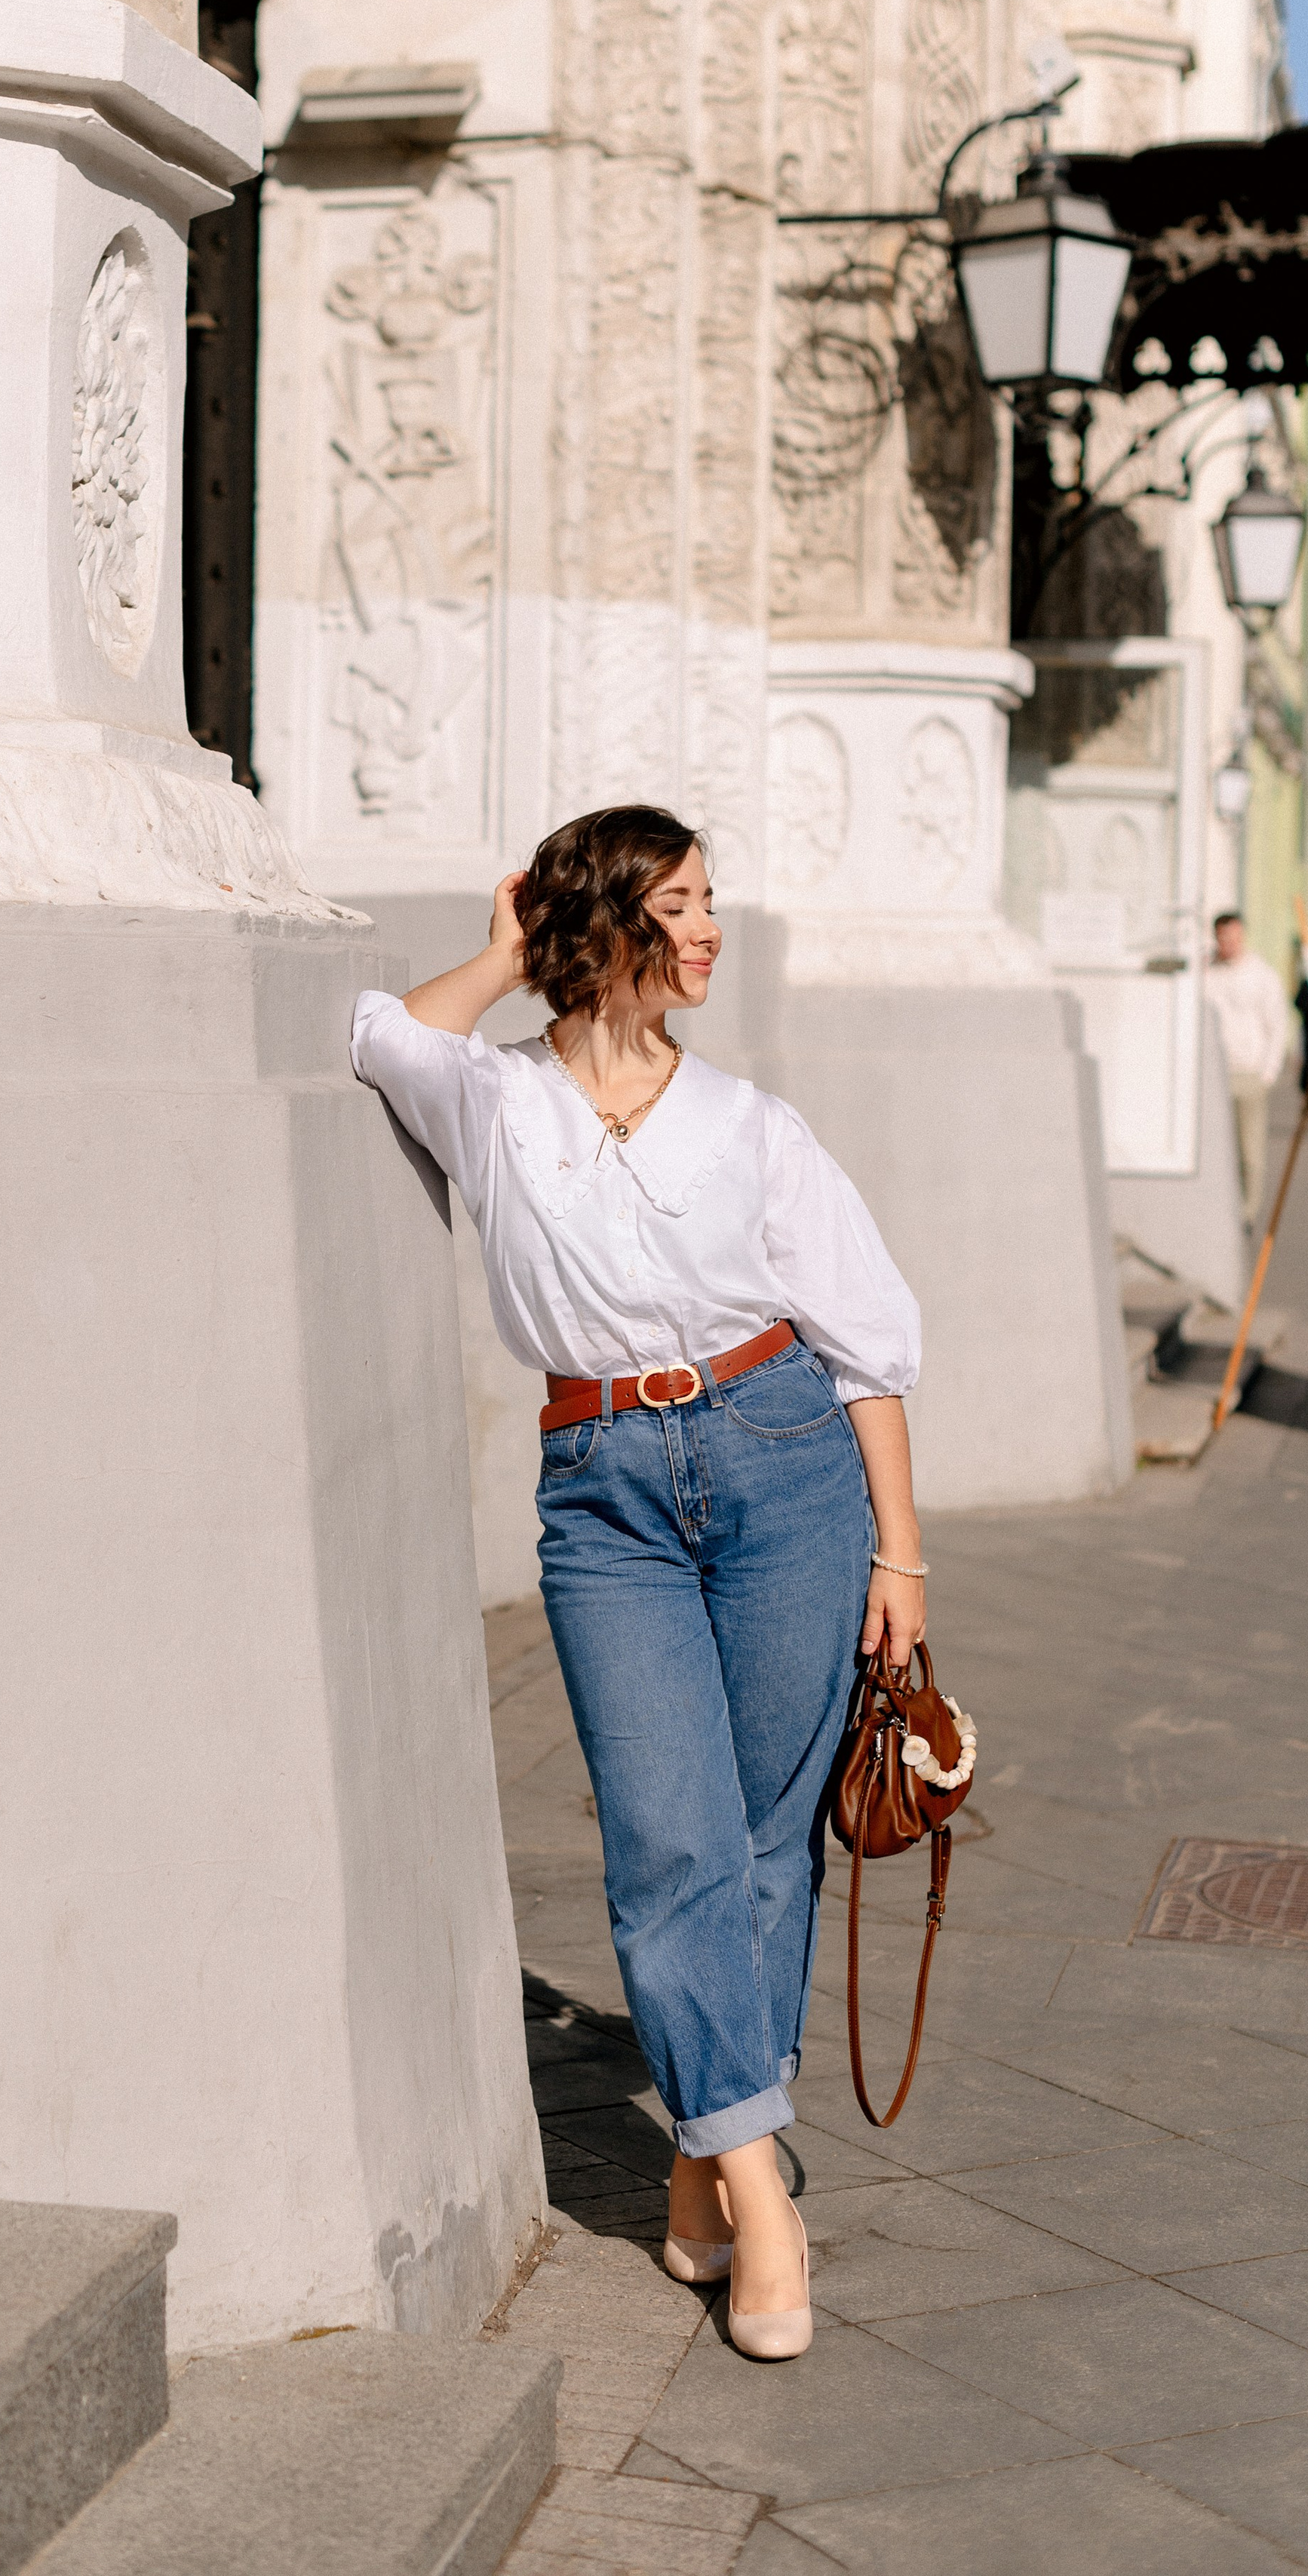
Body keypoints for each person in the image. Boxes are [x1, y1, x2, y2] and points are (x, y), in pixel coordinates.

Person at [351, 804, 925, 2364]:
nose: (709, 930)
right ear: (601, 927)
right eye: (679, 902)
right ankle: (763, 2185)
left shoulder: (753, 1127)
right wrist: (501, 942)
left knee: (758, 1837)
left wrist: (900, 1553)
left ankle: (696, 2153)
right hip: (600, 1491)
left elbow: (866, 1345)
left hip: (784, 1457)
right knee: (667, 1836)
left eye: (711, 900)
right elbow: (380, 1034)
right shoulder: (497, 1103)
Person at [1205, 911, 1293, 1225]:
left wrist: (1269, 1070)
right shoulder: (1207, 971)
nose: (1227, 943)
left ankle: (1247, 1212)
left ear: (1242, 936)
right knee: (1214, 1147)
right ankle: (1218, 1207)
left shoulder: (1261, 975)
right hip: (1212, 1072)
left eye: (1233, 937)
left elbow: (1277, 1023)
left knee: (1249, 1150)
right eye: (1222, 937)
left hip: (1249, 1071)